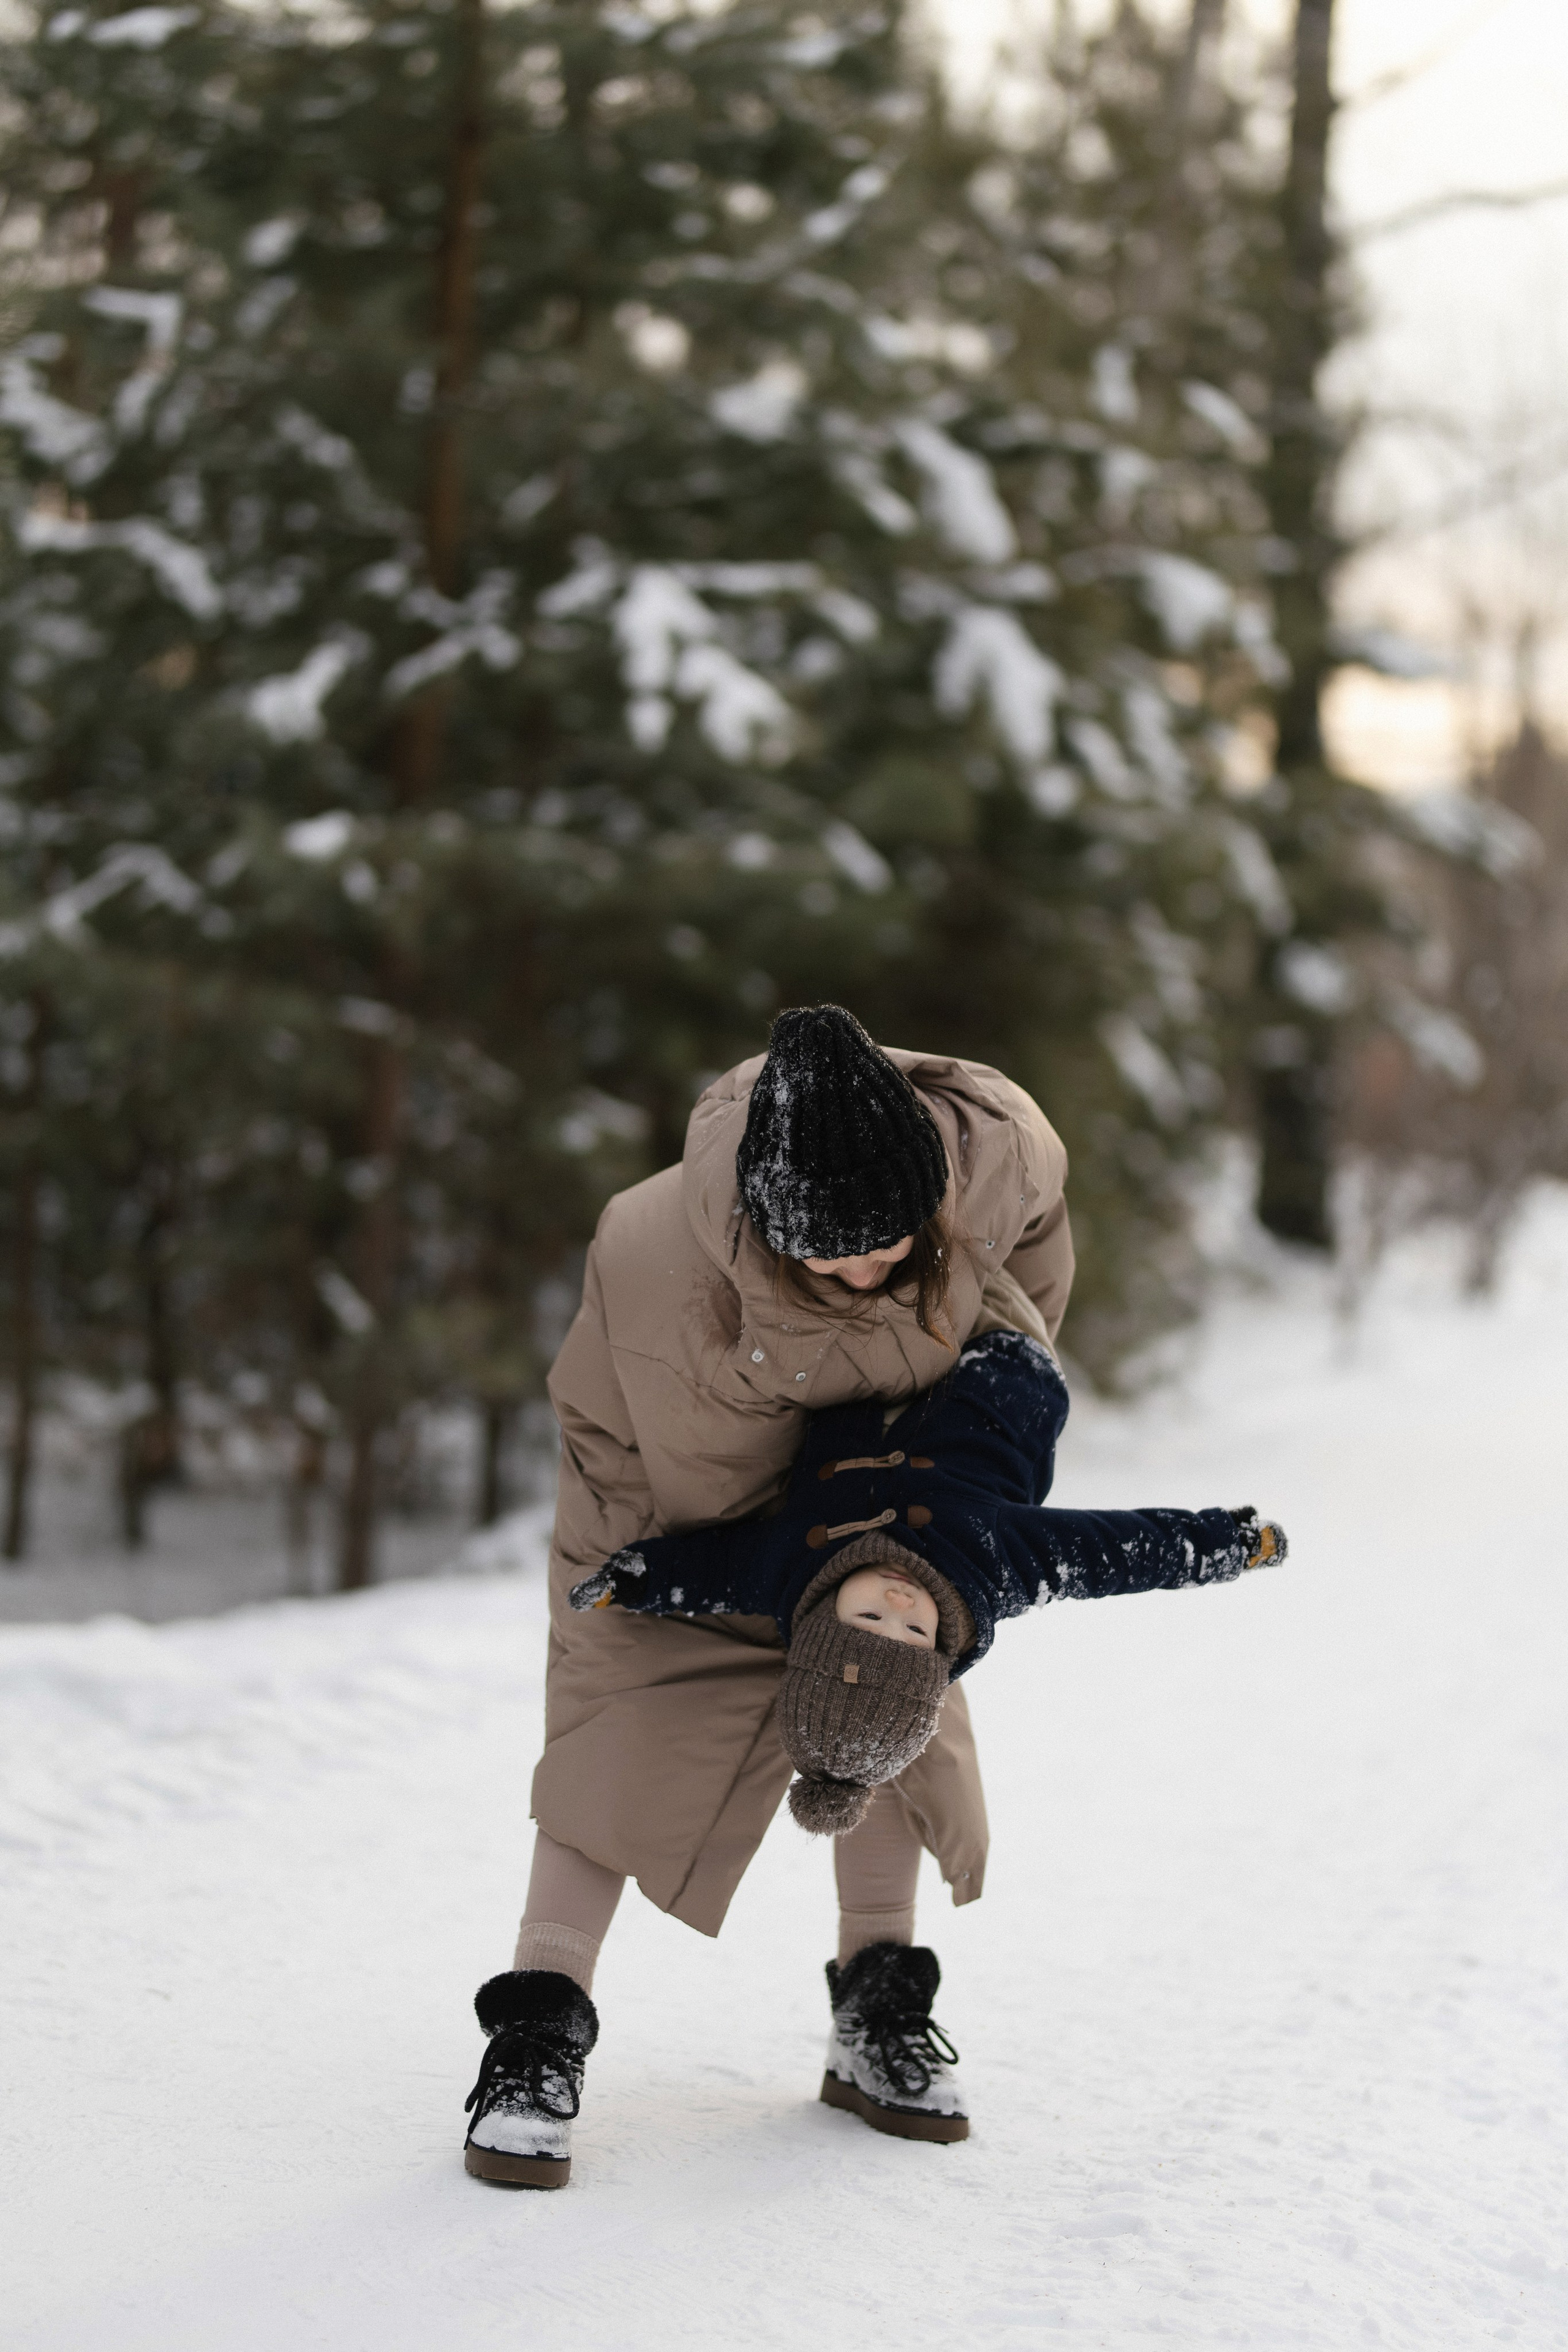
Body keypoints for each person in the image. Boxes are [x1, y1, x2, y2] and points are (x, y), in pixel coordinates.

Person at [463, 1003, 1078, 2188]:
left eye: (891, 1243)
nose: (864, 1270)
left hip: (879, 1487)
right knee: (612, 1741)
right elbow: (601, 1424)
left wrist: (982, 1413)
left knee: (893, 1703)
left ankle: (878, 2015)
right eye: (832, 1254)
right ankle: (535, 2037)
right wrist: (644, 1578)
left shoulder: (999, 1148)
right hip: (667, 1500)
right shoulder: (649, 1251)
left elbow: (1038, 1263)